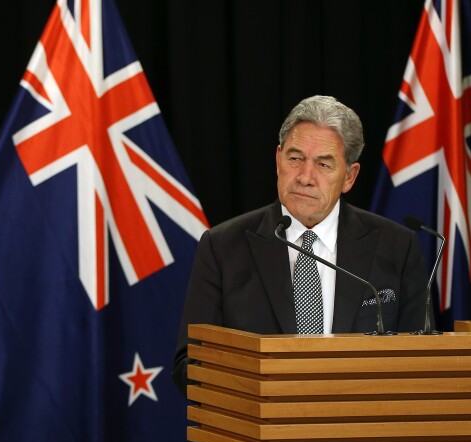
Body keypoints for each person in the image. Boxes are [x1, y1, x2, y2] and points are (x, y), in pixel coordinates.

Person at [173, 95, 429, 393]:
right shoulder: (223, 247)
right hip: (260, 431)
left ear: (349, 177)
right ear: (278, 160)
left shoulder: (397, 247)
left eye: (323, 164)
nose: (305, 177)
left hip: (361, 433)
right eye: (295, 159)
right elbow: (189, 365)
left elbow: (420, 361)